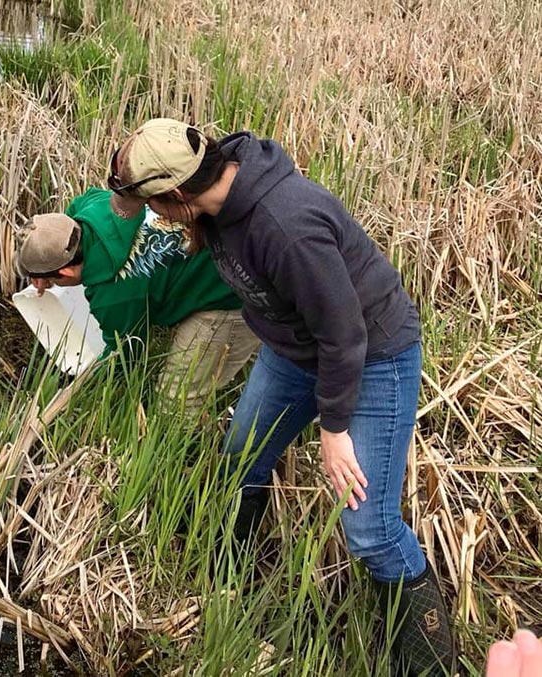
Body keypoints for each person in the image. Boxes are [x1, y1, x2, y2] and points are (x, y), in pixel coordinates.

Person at [108, 118, 455, 675]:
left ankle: (426, 663)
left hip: (372, 357)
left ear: (177, 193)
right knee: (241, 459)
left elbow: (345, 336)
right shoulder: (214, 200)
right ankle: (231, 590)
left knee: (369, 530)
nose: (154, 216)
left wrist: (334, 429)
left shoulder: (286, 226)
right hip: (291, 350)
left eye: (154, 205)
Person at [14, 186, 260, 414]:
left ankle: (195, 454)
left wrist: (88, 391)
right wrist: (51, 252)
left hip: (234, 292)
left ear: (65, 272)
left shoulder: (114, 294)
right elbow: (76, 206)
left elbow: (127, 354)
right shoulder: (97, 207)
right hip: (233, 242)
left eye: (52, 280)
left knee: (175, 401)